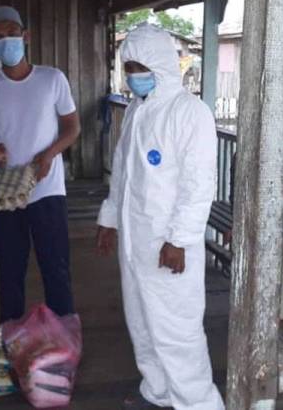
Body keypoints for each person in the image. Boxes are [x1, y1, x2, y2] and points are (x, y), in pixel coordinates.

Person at [96, 24, 225, 410]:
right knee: (143, 325)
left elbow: (199, 184)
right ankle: (158, 392)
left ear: (161, 65)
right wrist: (109, 219)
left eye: (139, 66)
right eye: (128, 67)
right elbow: (122, 172)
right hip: (136, 243)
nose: (132, 75)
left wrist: (180, 240)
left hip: (169, 244)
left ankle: (199, 403)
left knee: (177, 332)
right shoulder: (136, 110)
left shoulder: (190, 113)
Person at [0, 5, 81, 323]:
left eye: (12, 34)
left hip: (47, 188)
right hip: (4, 190)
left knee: (56, 267)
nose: (7, 42)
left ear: (25, 36)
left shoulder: (52, 79)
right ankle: (11, 339)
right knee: (10, 271)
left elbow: (72, 128)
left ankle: (64, 339)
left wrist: (49, 154)